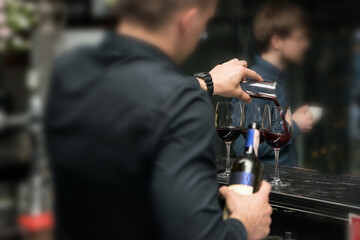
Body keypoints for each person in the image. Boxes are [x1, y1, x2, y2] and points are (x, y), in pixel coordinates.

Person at [45, 0, 272, 239]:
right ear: (188, 21)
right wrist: (246, 224)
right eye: (204, 26)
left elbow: (136, 88)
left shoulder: (70, 70)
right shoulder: (182, 105)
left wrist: (207, 82)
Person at [233, 1, 314, 167]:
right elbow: (244, 149)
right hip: (266, 189)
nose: (306, 44)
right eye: (300, 38)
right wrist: (294, 126)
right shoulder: (256, 82)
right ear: (277, 41)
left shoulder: (277, 79)